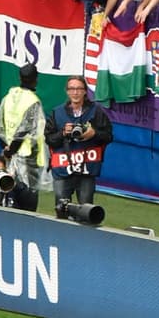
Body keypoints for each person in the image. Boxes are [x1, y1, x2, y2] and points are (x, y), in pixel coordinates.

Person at [45, 74, 113, 220]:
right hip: (63, 169)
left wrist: (94, 133)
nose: (75, 92)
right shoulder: (57, 113)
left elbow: (108, 136)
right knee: (61, 210)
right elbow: (49, 139)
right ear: (67, 91)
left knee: (86, 212)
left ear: (84, 91)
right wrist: (63, 133)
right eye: (72, 89)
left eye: (79, 89)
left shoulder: (96, 111)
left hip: (86, 170)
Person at [0, 61, 47, 209]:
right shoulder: (33, 101)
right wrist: (11, 150)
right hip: (28, 160)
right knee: (27, 205)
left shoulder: (9, 96)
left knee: (7, 195)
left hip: (10, 158)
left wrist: (5, 149)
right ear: (36, 78)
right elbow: (25, 129)